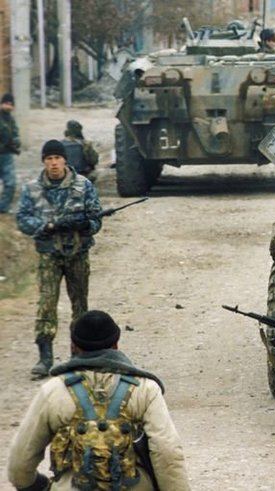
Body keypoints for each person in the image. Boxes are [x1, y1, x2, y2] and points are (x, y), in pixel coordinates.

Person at [7, 310, 190, 490]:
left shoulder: (53, 390)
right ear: (116, 344)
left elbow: (19, 463)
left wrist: (36, 485)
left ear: (73, 346)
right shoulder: (145, 389)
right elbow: (167, 454)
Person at [16, 140, 103, 378]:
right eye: (49, 158)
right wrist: (48, 225)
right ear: (44, 161)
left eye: (57, 158)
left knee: (80, 306)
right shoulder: (32, 189)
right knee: (46, 304)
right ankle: (45, 358)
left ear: (65, 160)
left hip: (77, 254)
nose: (53, 163)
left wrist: (87, 225)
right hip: (49, 255)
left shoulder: (83, 186)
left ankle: (80, 355)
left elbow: (96, 218)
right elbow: (23, 219)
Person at [0, 92, 20, 213]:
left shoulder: (11, 119)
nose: (9, 106)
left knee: (10, 183)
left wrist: (16, 142)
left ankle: (3, 207)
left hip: (7, 155)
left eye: (11, 104)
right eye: (6, 103)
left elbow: (16, 134)